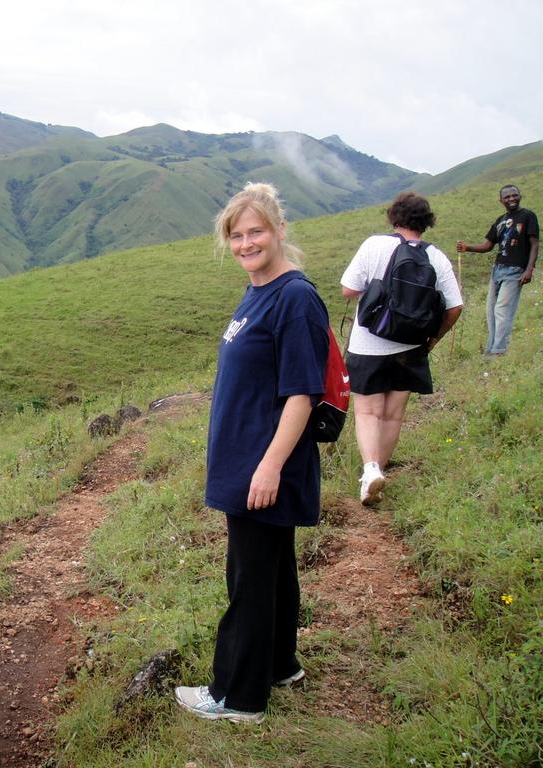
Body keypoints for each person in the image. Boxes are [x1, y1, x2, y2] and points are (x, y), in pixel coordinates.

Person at [174, 182, 329, 724]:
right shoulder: (257, 291)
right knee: (273, 570)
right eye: (236, 236)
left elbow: (302, 394)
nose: (245, 243)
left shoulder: (295, 298)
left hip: (264, 467)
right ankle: (280, 665)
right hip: (247, 461)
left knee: (248, 577)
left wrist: (268, 466)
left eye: (255, 231)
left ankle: (236, 696)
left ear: (279, 230)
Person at [341, 192, 463, 504]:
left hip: (369, 343)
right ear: (426, 223)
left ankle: (370, 471)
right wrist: (433, 338)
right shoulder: (436, 257)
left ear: (394, 217)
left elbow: (348, 289)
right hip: (411, 347)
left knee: (368, 411)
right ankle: (377, 471)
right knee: (393, 415)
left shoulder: (374, 245)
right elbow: (455, 307)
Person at [456, 184, 539, 356]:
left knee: (502, 310)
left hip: (516, 270)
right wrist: (467, 248)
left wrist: (529, 269)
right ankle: (491, 349)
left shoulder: (528, 216)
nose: (511, 199)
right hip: (498, 270)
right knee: (491, 310)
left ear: (520, 196)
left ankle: (498, 351)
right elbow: (488, 245)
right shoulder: (500, 220)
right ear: (501, 200)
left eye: (514, 195)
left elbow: (534, 244)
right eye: (507, 197)